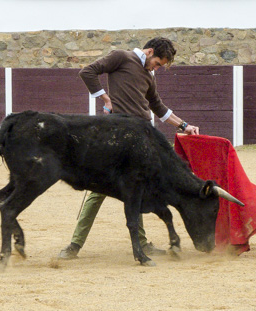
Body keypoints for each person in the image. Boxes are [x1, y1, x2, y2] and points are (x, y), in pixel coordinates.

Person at [59, 37, 199, 259]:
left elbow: (158, 108)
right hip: (117, 137)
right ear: (150, 51)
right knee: (98, 191)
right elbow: (87, 72)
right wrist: (105, 99)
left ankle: (141, 243)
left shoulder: (149, 75)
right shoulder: (121, 57)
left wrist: (184, 125)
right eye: (158, 63)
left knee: (137, 188)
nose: (156, 68)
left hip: (140, 140)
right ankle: (74, 245)